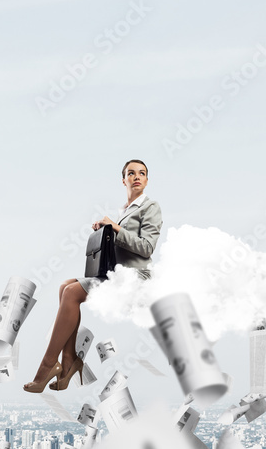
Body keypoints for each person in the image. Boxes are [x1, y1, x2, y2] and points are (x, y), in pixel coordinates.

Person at [23, 159, 163, 393]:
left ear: (147, 180)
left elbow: (147, 248)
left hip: (137, 278)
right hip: (118, 274)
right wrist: (107, 230)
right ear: (124, 180)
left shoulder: (151, 207)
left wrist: (115, 229)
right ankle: (69, 362)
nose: (136, 176)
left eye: (142, 173)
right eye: (131, 173)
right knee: (64, 286)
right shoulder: (126, 211)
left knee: (70, 292)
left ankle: (48, 365)